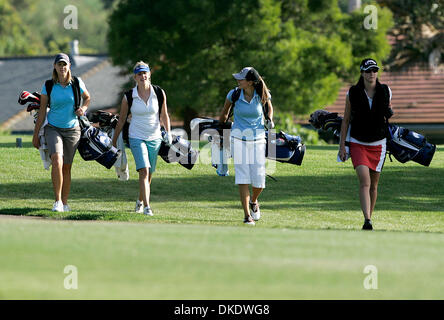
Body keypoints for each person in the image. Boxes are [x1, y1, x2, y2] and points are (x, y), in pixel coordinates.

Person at [32, 53, 90, 212]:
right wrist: (36, 134)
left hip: (73, 130)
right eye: (59, 64)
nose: (62, 67)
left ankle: (65, 202)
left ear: (69, 65)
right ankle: (57, 201)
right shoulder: (49, 85)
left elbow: (87, 98)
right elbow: (42, 111)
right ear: (55, 67)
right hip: (53, 127)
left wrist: (83, 109)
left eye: (65, 64)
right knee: (56, 161)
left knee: (66, 167)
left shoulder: (77, 83)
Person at [112, 61, 172, 216]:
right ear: (135, 77)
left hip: (155, 138)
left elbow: (164, 114)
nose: (142, 76)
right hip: (136, 137)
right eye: (139, 74)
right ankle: (147, 207)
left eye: (145, 73)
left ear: (149, 74)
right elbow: (122, 119)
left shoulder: (159, 92)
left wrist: (169, 132)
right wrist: (114, 141)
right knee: (144, 170)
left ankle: (140, 200)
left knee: (149, 173)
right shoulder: (129, 96)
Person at [339, 58, 393, 230]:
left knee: (374, 185)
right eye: (368, 71)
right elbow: (346, 121)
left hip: (379, 144)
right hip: (358, 143)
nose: (372, 74)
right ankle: (367, 219)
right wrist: (342, 146)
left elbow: (388, 115)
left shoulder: (385, 91)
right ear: (362, 73)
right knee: (364, 180)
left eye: (374, 70)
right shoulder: (353, 93)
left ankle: (369, 217)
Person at [219, 67, 274, 226]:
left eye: (241, 79)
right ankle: (246, 216)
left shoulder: (262, 93)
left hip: (258, 139)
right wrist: (220, 127)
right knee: (242, 177)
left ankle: (254, 201)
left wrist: (269, 118)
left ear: (250, 82)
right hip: (238, 138)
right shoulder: (234, 94)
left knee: (259, 181)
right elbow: (224, 112)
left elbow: (269, 107)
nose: (238, 81)